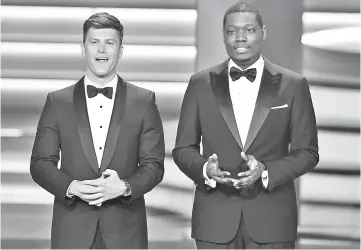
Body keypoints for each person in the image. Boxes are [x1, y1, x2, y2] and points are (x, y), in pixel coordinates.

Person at [172, 2, 319, 249]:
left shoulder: (294, 85)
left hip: (272, 222)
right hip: (214, 221)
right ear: (223, 36)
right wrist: (205, 169)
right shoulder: (199, 84)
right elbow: (182, 149)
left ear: (263, 32)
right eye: (231, 31)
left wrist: (265, 170)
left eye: (249, 30)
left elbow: (308, 153)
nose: (240, 38)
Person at [30, 12, 165, 249]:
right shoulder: (57, 101)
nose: (101, 50)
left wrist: (124, 187)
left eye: (109, 43)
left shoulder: (144, 101)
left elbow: (154, 165)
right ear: (83, 48)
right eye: (94, 42)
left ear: (120, 50)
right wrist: (72, 187)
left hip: (126, 234)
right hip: (71, 232)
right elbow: (41, 163)